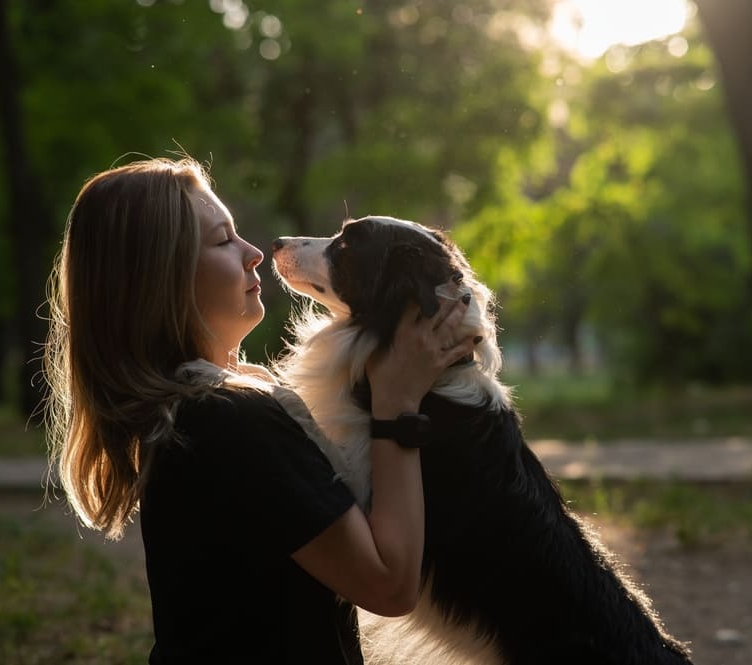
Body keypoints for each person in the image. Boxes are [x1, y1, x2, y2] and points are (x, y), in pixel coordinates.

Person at [42, 157, 477, 663]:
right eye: (224, 241)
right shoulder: (229, 421)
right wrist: (398, 405)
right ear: (164, 277)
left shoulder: (189, 413)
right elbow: (389, 584)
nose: (253, 253)